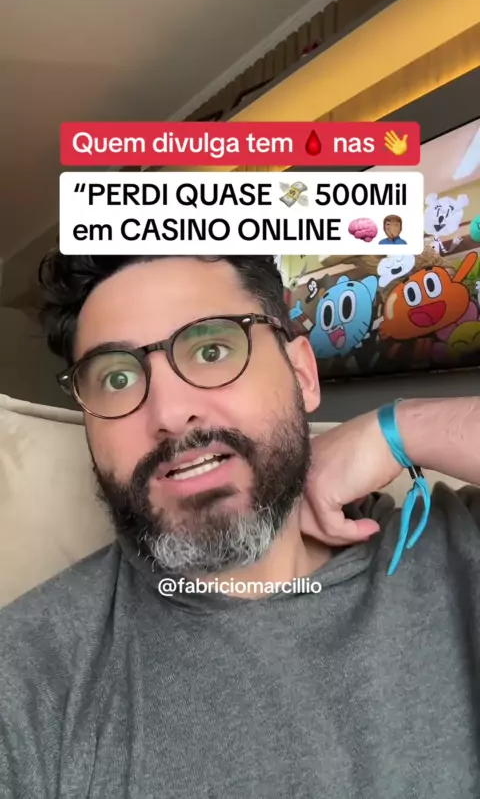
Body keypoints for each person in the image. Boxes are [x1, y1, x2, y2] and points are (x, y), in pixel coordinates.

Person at [0, 253, 479, 799]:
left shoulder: (451, 546)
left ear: (302, 375)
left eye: (211, 350)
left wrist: (403, 429)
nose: (169, 414)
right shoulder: (29, 675)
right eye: (117, 378)